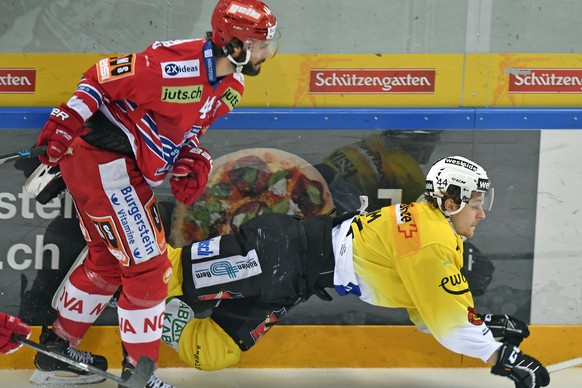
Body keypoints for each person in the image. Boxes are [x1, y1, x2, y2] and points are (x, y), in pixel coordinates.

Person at [31, 0, 280, 386]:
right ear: (233, 45)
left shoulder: (232, 86)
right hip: (104, 160)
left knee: (107, 263)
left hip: (116, 169)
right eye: (260, 44)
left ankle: (57, 351)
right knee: (150, 271)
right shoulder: (176, 65)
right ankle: (140, 377)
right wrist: (65, 120)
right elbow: (100, 77)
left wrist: (192, 158)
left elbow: (189, 130)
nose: (267, 52)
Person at [158, 155, 549, 387]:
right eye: (475, 203)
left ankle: (150, 315)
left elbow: (426, 315)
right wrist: (502, 356)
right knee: (165, 273)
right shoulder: (429, 243)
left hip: (294, 282)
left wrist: (481, 323)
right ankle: (114, 278)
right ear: (450, 201)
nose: (482, 213)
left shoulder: (434, 233)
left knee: (207, 352)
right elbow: (448, 326)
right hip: (276, 254)